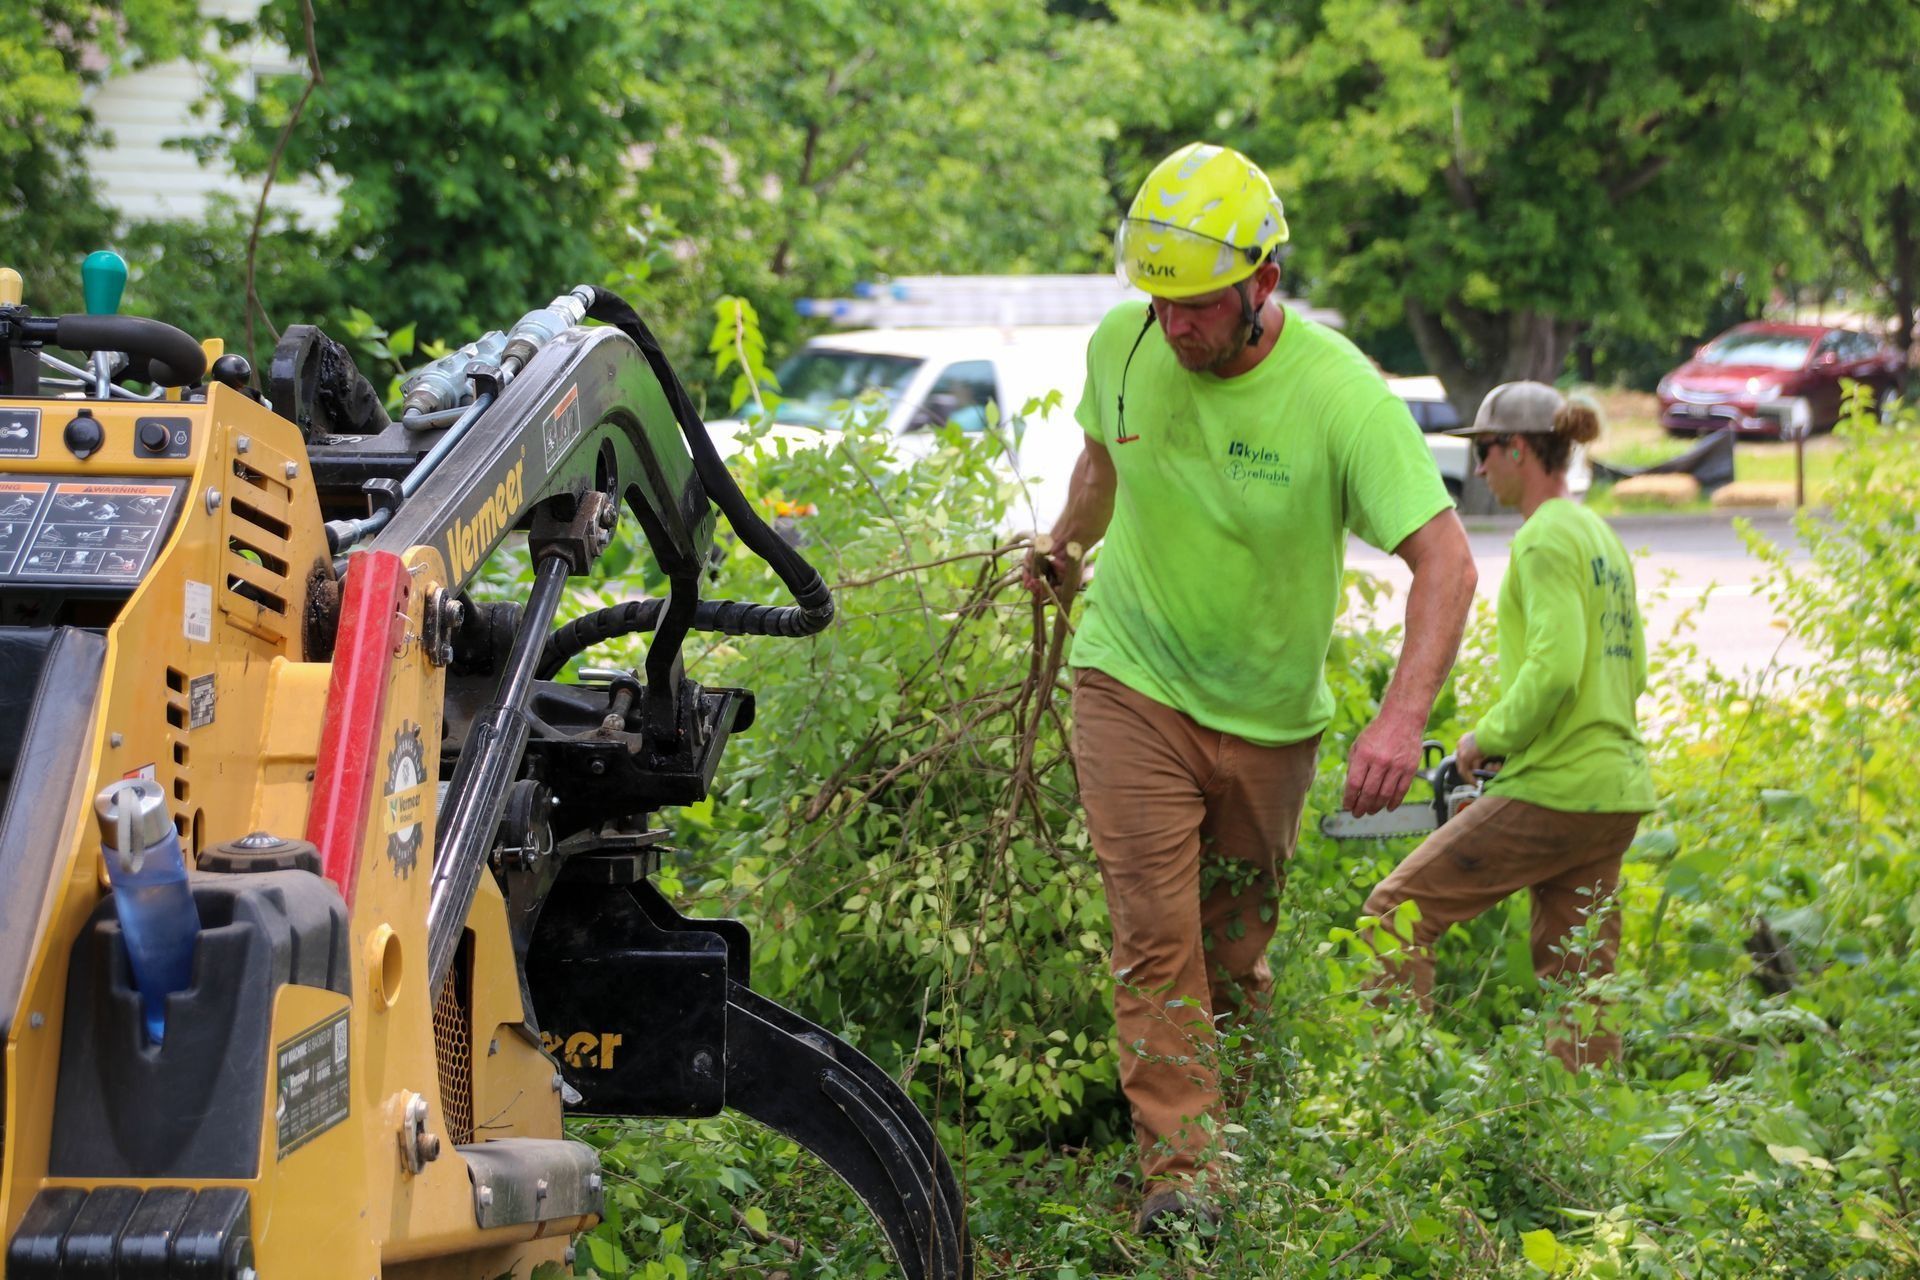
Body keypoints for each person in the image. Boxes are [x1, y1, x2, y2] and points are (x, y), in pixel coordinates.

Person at [1024, 141, 1477, 1233]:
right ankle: (1184, 1184)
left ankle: (1247, 1120)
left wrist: (1400, 717)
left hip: (1270, 723)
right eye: (1158, 300)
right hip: (1129, 681)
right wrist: (1064, 544)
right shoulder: (1123, 346)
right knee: (1157, 935)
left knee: (1231, 950)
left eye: (1196, 306)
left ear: (1263, 284)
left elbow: (1447, 561)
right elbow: (1104, 460)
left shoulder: (1338, 395)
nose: (1171, 326)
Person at [1360, 382, 1654, 1071]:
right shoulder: (1600, 535)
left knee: (1394, 914)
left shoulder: (1544, 536)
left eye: (1487, 451)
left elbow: (1553, 671)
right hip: (1615, 791)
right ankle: (1582, 1137)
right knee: (1578, 977)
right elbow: (1631, 670)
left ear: (1519, 449)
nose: (1481, 468)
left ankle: (1394, 1098)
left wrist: (1482, 743)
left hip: (1557, 787)